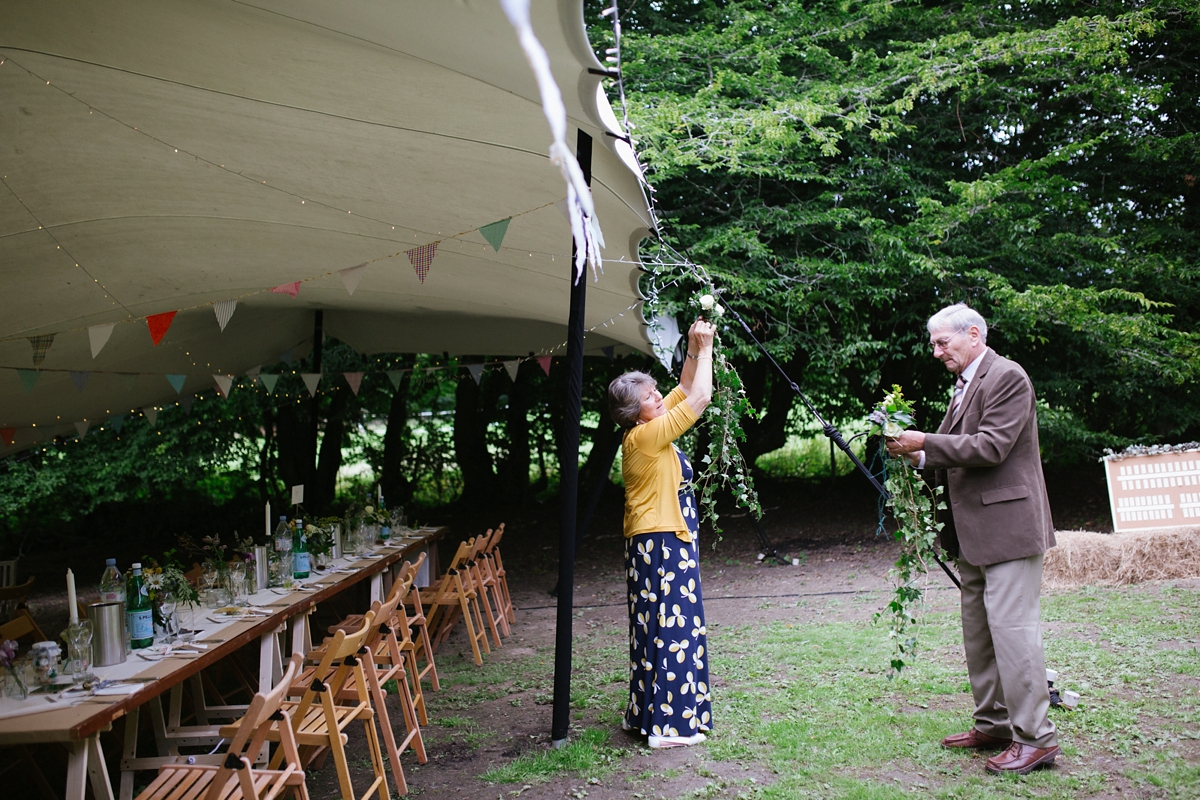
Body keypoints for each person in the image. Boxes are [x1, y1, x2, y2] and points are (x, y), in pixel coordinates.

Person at [886, 303, 1060, 776]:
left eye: (944, 342)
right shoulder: (966, 383)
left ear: (974, 335)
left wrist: (923, 442)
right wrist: (917, 459)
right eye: (934, 344)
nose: (936, 352)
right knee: (980, 636)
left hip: (1008, 530)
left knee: (1013, 634)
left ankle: (1037, 738)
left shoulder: (1007, 377)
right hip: (973, 534)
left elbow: (990, 446)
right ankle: (996, 724)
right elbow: (954, 452)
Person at [607, 317, 715, 749]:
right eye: (649, 396)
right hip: (662, 543)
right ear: (635, 413)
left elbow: (686, 389)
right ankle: (669, 728)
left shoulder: (646, 429)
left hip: (656, 542)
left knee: (659, 626)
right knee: (673, 627)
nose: (657, 396)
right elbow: (701, 396)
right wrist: (706, 350)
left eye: (654, 390)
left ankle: (651, 715)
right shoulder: (647, 436)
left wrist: (692, 345)